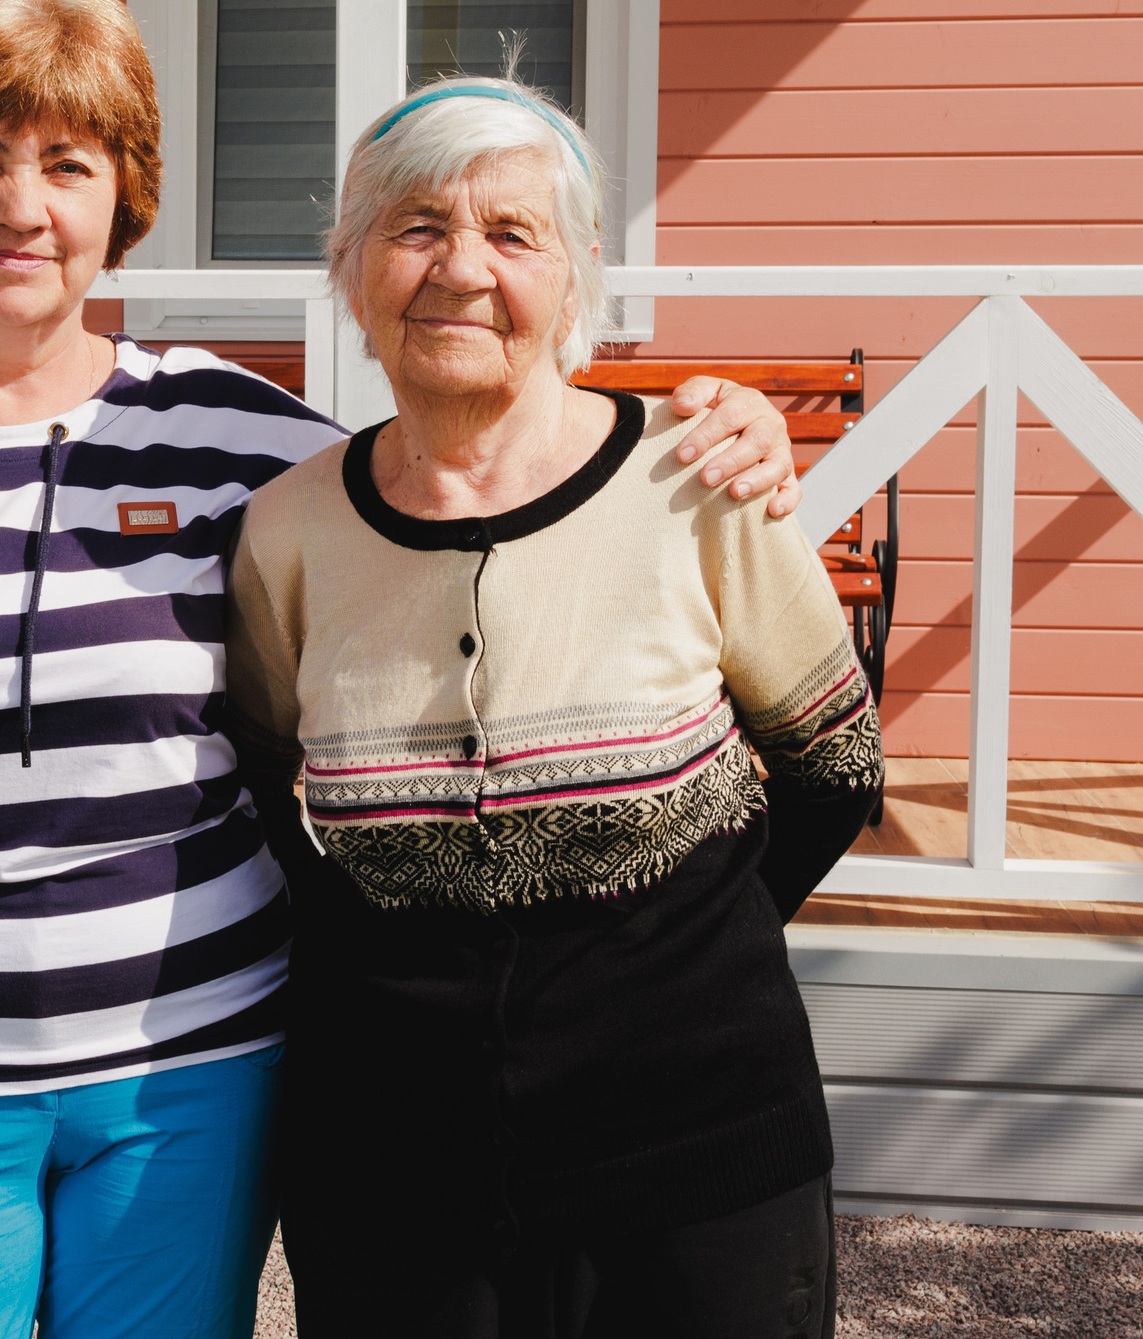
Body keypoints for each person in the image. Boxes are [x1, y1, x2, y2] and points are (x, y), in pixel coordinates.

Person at [0, 0, 808, 1339]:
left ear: (121, 204)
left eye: (69, 166)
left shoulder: (242, 443)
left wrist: (709, 423)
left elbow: (470, 461)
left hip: (188, 1082)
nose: (22, 206)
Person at [226, 75, 884, 1339]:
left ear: (576, 278)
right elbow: (259, 787)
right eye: (416, 226)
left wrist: (679, 950)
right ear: (350, 267)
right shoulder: (286, 531)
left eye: (511, 233)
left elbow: (835, 766)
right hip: (391, 1168)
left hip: (701, 1151)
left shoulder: (693, 481)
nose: (460, 269)